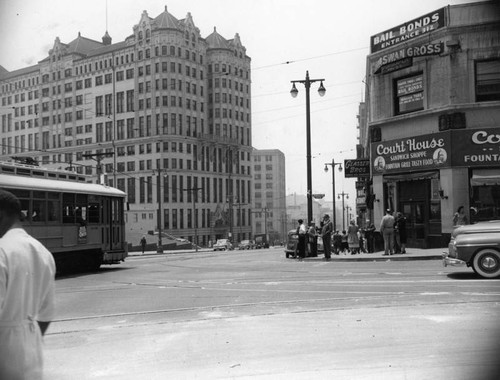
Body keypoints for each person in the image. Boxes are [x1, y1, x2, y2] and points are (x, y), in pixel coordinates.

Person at [0, 189, 56, 379]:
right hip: (33, 351)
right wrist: (25, 336)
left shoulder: (2, 250)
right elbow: (47, 314)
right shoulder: (43, 252)